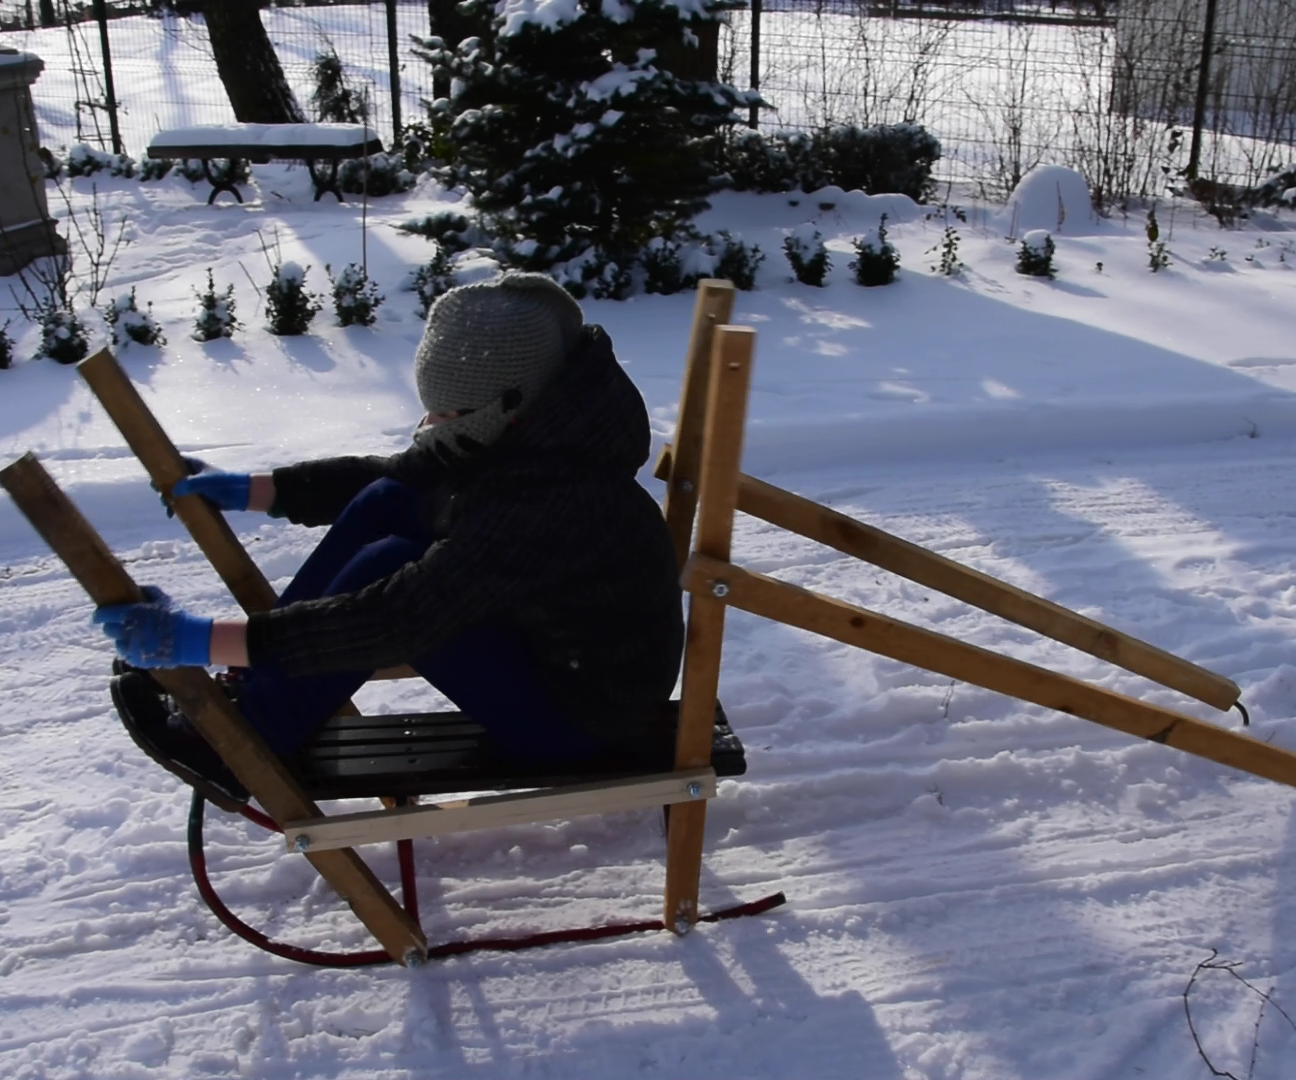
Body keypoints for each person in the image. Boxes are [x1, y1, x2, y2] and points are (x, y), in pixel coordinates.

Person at [95, 272, 685, 810]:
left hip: (582, 718)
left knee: (390, 566)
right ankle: (258, 695)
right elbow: (397, 475)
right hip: (545, 648)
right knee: (391, 498)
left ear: (506, 406)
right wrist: (251, 491)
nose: (433, 428)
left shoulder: (552, 498)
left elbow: (399, 618)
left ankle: (244, 740)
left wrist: (203, 641)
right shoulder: (533, 429)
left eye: (448, 415)